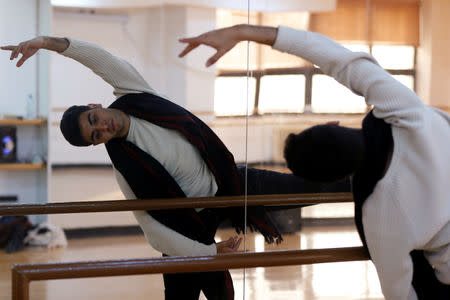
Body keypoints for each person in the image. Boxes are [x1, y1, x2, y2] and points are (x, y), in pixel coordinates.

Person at [1, 34, 350, 299]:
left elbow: (100, 59)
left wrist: (46, 43)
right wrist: (208, 252)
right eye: (95, 136)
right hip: (189, 223)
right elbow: (154, 229)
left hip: (229, 182)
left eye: (95, 119)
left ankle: (364, 181)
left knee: (311, 188)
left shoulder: (133, 93)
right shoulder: (125, 167)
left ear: (96, 105)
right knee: (182, 293)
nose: (102, 128)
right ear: (97, 144)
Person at [178, 24, 450, 300]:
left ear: (329, 181)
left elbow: (400, 291)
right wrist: (244, 32)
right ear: (334, 124)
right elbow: (333, 56)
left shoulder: (380, 217)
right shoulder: (404, 111)